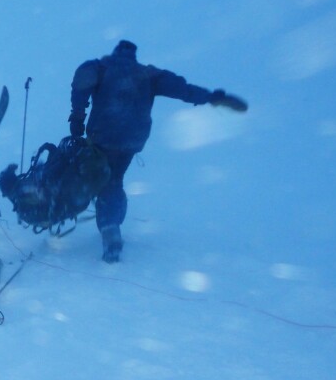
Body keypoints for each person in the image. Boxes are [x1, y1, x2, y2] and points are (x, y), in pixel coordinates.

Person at [68, 40, 247, 263]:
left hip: (102, 137)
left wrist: (77, 117)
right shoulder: (147, 74)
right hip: (131, 140)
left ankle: (110, 228)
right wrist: (212, 97)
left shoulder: (100, 67)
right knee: (114, 180)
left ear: (115, 53)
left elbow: (81, 86)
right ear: (133, 56)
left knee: (107, 182)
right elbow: (183, 89)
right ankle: (111, 222)